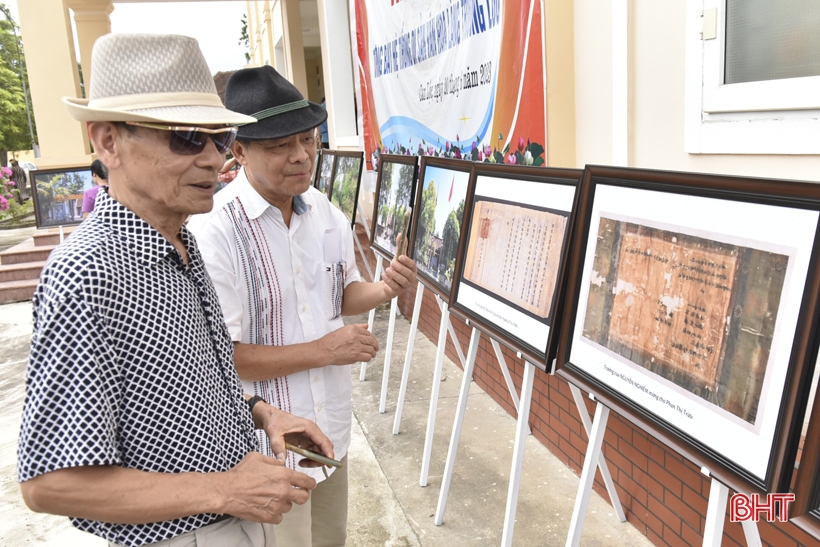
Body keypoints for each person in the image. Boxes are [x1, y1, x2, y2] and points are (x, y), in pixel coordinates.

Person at [17, 34, 335, 547]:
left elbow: (192, 382)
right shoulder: (88, 273)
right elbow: (53, 483)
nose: (213, 158)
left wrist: (263, 413)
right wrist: (224, 490)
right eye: (187, 137)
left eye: (220, 136)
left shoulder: (180, 239)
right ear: (107, 142)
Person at [187, 66, 417, 547]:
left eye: (308, 140)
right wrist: (324, 350)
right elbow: (220, 356)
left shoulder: (323, 210)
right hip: (265, 447)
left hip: (329, 428)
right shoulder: (216, 232)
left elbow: (343, 292)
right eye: (278, 147)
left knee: (331, 538)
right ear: (239, 150)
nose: (301, 156)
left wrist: (383, 289)